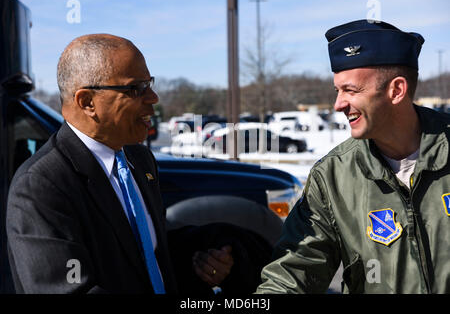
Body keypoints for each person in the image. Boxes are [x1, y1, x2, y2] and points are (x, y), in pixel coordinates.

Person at [6, 34, 234, 293]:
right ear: (87, 102)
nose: (153, 98)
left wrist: (196, 263)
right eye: (136, 89)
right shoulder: (41, 186)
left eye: (149, 84)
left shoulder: (140, 160)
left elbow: (146, 255)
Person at [256, 19, 450, 293]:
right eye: (338, 91)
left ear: (396, 90)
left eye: (351, 90)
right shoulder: (333, 177)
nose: (338, 105)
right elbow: (292, 274)